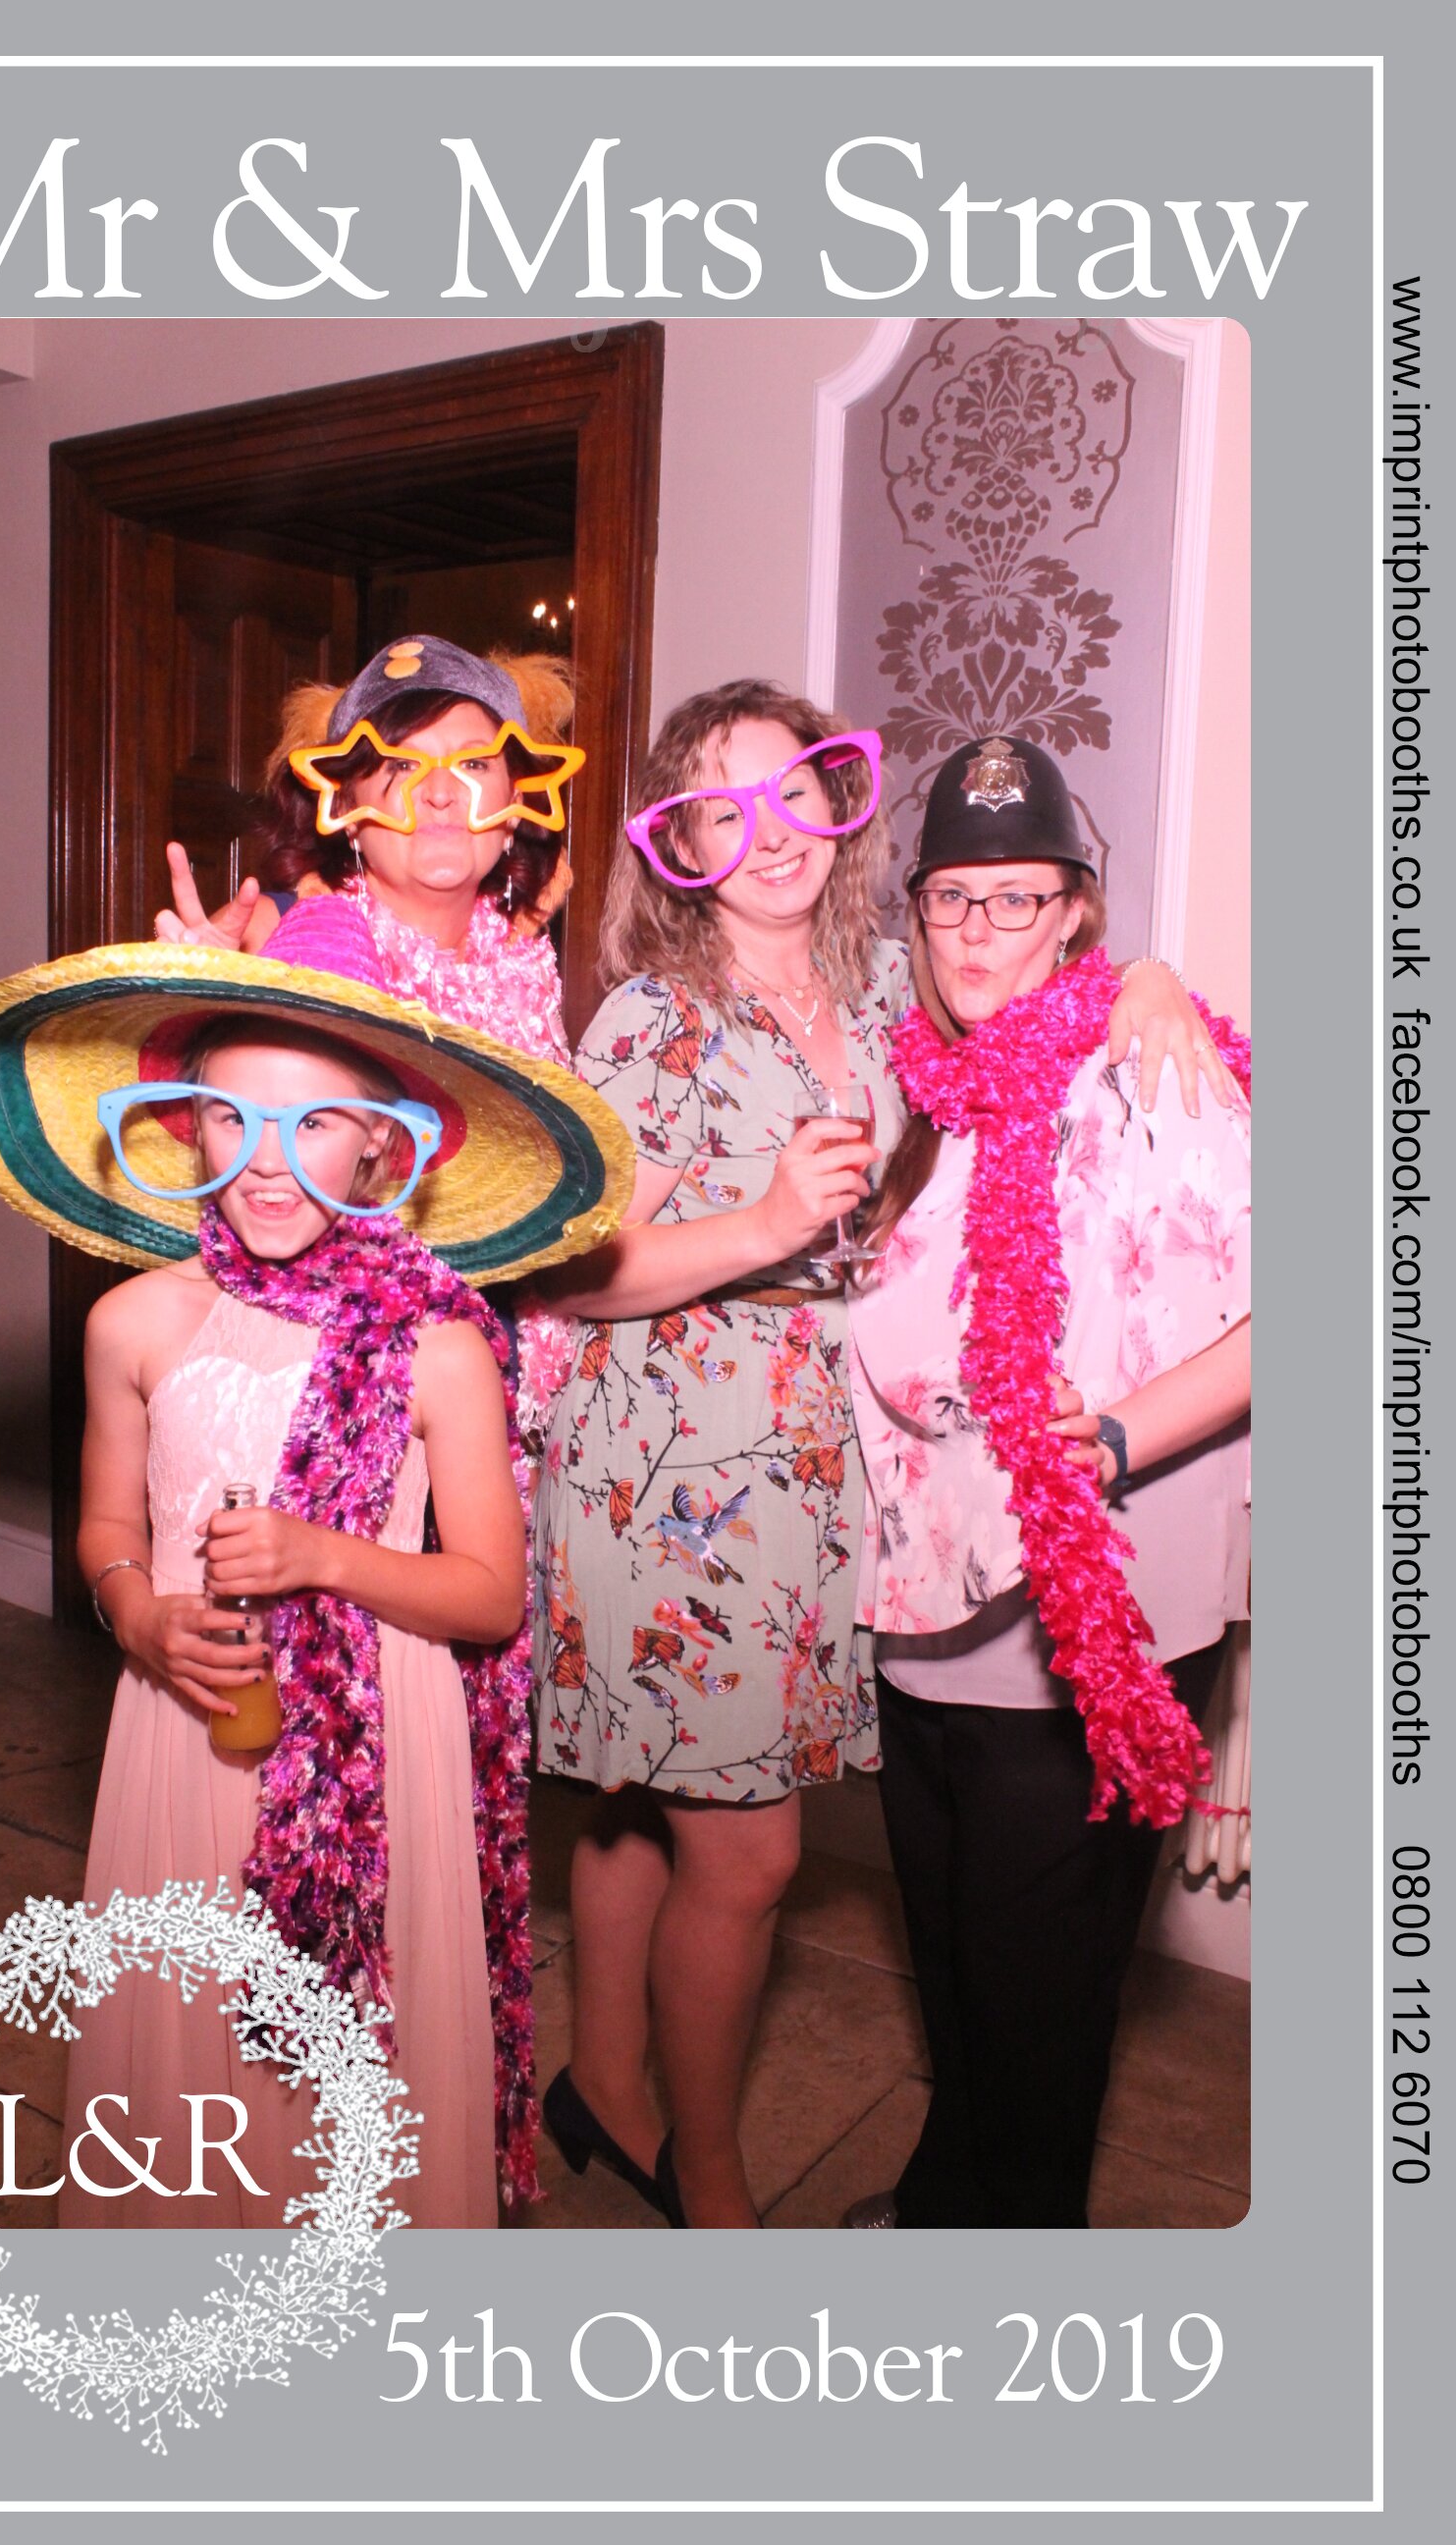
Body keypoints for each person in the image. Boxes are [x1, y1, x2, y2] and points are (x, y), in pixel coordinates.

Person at [529, 682, 1218, 2230]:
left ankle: (605, 2081)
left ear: (840, 808)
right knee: (750, 1856)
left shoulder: (893, 984)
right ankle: (708, 2179)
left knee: (648, 1796)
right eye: (724, 810)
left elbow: (1039, 971)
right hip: (676, 1473)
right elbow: (580, 1274)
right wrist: (768, 1224)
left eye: (798, 793)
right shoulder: (652, 1020)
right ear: (682, 845)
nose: (770, 835)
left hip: (832, 1466)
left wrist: (1153, 980)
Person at [0, 913, 633, 2228]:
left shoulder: (439, 1347)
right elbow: (105, 1527)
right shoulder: (132, 1322)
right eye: (235, 1116)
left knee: (353, 2100)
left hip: (380, 1751)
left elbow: (488, 1594)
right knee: (189, 2053)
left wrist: (324, 1555)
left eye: (314, 1123)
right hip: (185, 1728)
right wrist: (136, 1616)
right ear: (184, 1125)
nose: (268, 1162)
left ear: (383, 1146)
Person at [841, 731, 1252, 2231]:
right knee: (958, 1976)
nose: (979, 932)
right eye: (953, 897)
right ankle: (946, 2204)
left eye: (1018, 898)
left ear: (1077, 908)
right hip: (929, 1615)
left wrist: (1120, 1437)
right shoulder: (922, 1085)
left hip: (1090, 1625)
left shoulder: (1154, 1072)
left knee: (1040, 2010)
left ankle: (1010, 2270)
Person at [157, 633, 584, 1442]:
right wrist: (201, 1000)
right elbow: (218, 1163)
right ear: (346, 803)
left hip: (514, 1390)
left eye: (473, 763)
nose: (439, 795)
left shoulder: (524, 961)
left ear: (515, 801)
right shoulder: (294, 941)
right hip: (346, 1395)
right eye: (397, 766)